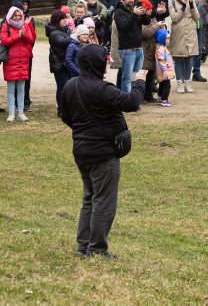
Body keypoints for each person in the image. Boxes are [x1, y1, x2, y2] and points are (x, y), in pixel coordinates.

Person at [59, 45, 145, 258]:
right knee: (104, 201)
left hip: (81, 150)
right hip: (103, 154)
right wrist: (139, 81)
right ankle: (97, 249)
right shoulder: (102, 89)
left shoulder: (71, 85)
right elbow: (132, 102)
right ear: (97, 63)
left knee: (90, 197)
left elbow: (65, 115)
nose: (106, 63)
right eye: (104, 60)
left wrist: (82, 131)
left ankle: (84, 245)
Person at [0, 5, 35, 122]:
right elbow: (4, 41)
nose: (18, 18)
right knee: (10, 89)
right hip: (11, 60)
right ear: (10, 16)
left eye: (19, 15)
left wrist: (24, 33)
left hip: (23, 60)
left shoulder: (24, 25)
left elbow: (31, 39)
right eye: (15, 16)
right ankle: (11, 113)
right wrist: (17, 36)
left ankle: (20, 113)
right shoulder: (5, 26)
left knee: (21, 88)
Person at [169, 0, 199, 94]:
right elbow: (175, 18)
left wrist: (191, 6)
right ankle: (179, 83)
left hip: (191, 31)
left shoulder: (191, 1)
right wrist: (182, 7)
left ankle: (187, 82)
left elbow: (197, 17)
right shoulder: (171, 2)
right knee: (178, 58)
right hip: (178, 32)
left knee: (189, 58)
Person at [46, 10, 72, 116]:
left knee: (68, 87)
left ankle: (67, 108)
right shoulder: (54, 33)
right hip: (59, 65)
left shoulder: (64, 30)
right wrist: (72, 38)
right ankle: (61, 110)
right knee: (62, 87)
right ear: (58, 20)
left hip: (65, 64)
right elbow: (64, 42)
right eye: (63, 19)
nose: (65, 21)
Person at [153, 28, 175, 107]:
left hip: (165, 70)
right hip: (165, 71)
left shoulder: (162, 47)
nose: (168, 40)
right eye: (166, 39)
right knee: (167, 85)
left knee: (162, 84)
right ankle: (164, 99)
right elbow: (161, 60)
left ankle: (160, 97)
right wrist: (165, 68)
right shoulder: (161, 49)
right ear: (161, 39)